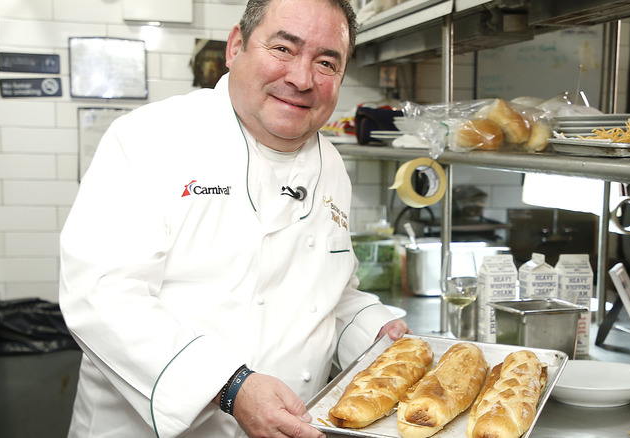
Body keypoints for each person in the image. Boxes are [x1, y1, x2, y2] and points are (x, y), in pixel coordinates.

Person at [58, 0, 409, 436]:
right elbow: (102, 297)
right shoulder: (150, 138)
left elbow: (329, 294)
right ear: (236, 46)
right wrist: (231, 386)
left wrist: (378, 332)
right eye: (283, 48)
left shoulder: (331, 163)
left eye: (326, 62)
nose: (301, 79)